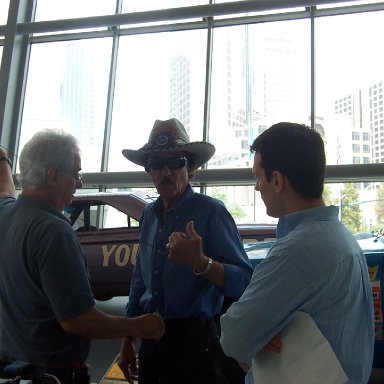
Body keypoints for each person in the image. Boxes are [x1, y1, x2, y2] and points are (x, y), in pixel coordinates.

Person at [0, 131, 164, 384]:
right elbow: (77, 320)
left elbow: (4, 191)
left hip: (12, 369)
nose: (79, 182)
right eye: (76, 173)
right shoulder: (55, 232)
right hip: (50, 374)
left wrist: (3, 161)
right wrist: (138, 327)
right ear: (53, 175)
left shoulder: (8, 215)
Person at [220, 122, 375, 383]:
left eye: (258, 177)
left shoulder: (298, 251)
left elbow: (234, 339)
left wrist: (257, 329)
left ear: (277, 180)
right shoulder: (340, 237)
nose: (257, 187)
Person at [118, 118, 253, 384]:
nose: (166, 171)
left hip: (196, 346)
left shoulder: (211, 213)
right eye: (157, 164)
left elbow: (245, 281)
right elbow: (139, 281)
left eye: (176, 162)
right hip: (151, 341)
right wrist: (127, 339)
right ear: (149, 170)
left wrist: (201, 263)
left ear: (190, 168)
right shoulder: (148, 215)